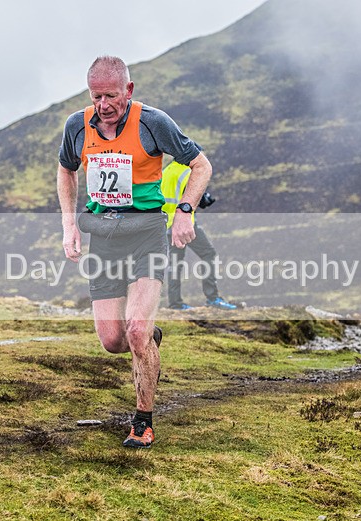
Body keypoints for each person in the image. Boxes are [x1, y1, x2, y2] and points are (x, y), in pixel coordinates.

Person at [57, 56, 212, 448]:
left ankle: (142, 422)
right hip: (104, 238)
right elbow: (66, 170)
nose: (103, 104)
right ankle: (147, 342)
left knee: (136, 328)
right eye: (96, 96)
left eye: (111, 95)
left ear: (128, 90)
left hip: (146, 235)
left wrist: (185, 212)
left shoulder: (153, 122)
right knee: (113, 340)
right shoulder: (77, 126)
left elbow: (201, 165)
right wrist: (69, 224)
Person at [161, 161, 237, 311]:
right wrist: (205, 199)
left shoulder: (166, 170)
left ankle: (175, 303)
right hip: (186, 224)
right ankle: (213, 298)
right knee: (209, 254)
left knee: (175, 264)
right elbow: (196, 198)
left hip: (168, 224)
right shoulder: (188, 172)